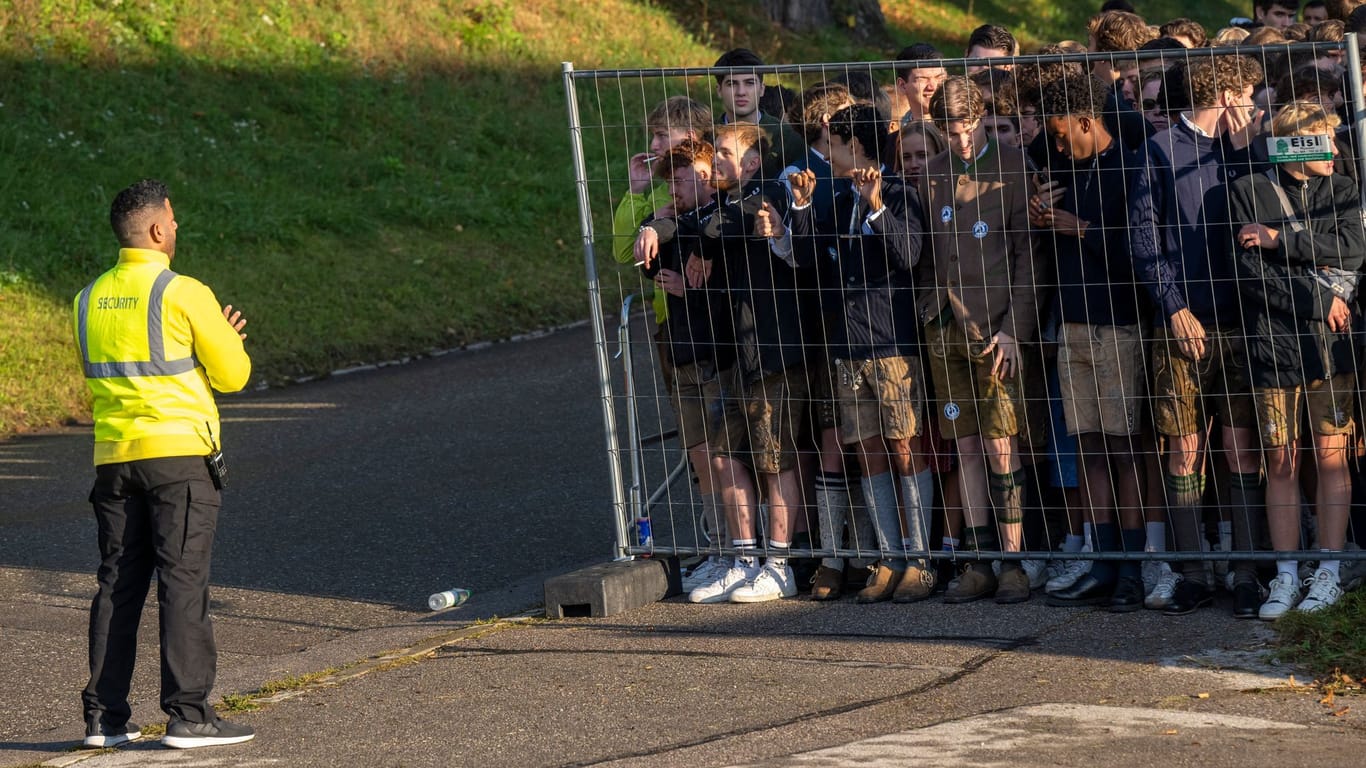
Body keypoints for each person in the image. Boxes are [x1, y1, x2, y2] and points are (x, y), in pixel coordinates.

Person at [75, 180, 255, 749]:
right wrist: (223, 338)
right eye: (173, 220)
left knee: (117, 587)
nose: (176, 228)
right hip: (178, 460)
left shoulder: (86, 299)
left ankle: (105, 721)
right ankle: (189, 715)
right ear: (157, 229)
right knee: (182, 584)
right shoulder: (184, 292)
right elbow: (234, 377)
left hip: (114, 462)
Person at [1129, 54, 1266, 616]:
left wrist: (1244, 151)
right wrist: (1174, 307)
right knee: (1184, 448)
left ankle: (1246, 572)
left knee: (1240, 447)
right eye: (1248, 94)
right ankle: (1189, 570)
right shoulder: (1159, 150)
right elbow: (1144, 239)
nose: (1255, 106)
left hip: (1239, 322)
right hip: (1182, 325)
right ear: (1225, 93)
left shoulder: (1246, 150)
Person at [790, 104, 933, 602]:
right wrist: (804, 208)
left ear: (857, 147)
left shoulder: (899, 194)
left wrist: (876, 207)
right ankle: (889, 557)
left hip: (891, 343)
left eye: (833, 146)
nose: (825, 156)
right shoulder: (838, 197)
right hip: (848, 347)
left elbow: (909, 255)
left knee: (903, 445)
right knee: (868, 447)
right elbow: (811, 262)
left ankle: (920, 560)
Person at [1229, 101, 1366, 618]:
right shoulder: (1247, 191)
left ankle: (1328, 570)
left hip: (1332, 351)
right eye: (1322, 140)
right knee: (1281, 462)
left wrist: (1281, 239)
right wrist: (1317, 299)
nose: (1334, 149)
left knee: (1332, 457)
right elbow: (1250, 273)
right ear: (1293, 145)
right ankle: (1286, 575)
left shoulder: (1345, 188)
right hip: (1273, 345)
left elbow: (1354, 250)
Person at [918, 76, 1043, 604]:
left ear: (982, 117)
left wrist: (1015, 328)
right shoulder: (929, 173)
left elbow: (1029, 257)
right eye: (951, 131)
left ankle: (1013, 561)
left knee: (1000, 444)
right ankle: (979, 559)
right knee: (964, 444)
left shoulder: (1014, 167)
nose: (962, 140)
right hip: (943, 330)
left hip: (995, 329)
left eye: (968, 128)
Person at [1030, 73, 1149, 611]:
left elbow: (1141, 254)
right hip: (1071, 326)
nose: (1055, 146)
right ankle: (1102, 563)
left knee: (1123, 449)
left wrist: (1079, 229)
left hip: (1118, 326)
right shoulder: (1060, 169)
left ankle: (1131, 566)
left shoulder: (1129, 166)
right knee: (1088, 447)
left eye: (1060, 135)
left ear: (1085, 121)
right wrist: (1038, 216)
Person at [685, 123, 811, 604]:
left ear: (753, 161)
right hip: (734, 355)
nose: (713, 163)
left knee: (775, 459)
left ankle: (780, 566)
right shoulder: (725, 204)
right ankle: (742, 560)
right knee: (724, 455)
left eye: (722, 154)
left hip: (773, 352)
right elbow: (706, 228)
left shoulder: (766, 195)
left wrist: (685, 227)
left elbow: (716, 226)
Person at [634, 140, 735, 594]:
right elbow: (648, 257)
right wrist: (651, 222)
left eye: (682, 178)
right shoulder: (672, 222)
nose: (673, 188)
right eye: (669, 180)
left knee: (726, 455)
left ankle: (740, 549)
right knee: (698, 453)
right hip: (683, 356)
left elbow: (736, 288)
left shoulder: (726, 220)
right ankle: (717, 549)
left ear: (707, 175)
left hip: (721, 354)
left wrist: (686, 293)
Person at [712, 48, 805, 178]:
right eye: (732, 83)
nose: (741, 92)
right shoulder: (706, 137)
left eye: (749, 83)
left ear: (762, 89)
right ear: (719, 90)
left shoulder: (787, 138)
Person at [895, 44, 948, 124]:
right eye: (922, 79)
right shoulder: (899, 135)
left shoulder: (968, 130)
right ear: (902, 85)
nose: (932, 87)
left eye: (939, 77)